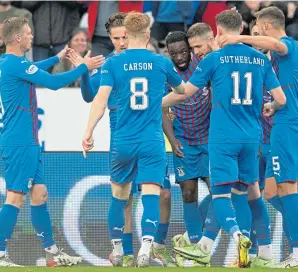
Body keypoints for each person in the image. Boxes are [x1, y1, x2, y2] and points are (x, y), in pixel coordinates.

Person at [163, 9, 286, 268]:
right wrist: (270, 108)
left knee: (220, 196)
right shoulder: (261, 59)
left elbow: (184, 93)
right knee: (246, 192)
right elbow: (281, 99)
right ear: (242, 28)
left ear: (218, 31)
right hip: (252, 138)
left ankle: (232, 238)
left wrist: (156, 103)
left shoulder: (214, 59)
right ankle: (263, 254)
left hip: (222, 138)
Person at [80, 12, 184, 268]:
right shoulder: (161, 62)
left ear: (126, 35)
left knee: (119, 196)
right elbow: (182, 92)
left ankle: (117, 250)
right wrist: (158, 103)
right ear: (148, 35)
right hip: (151, 141)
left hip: (122, 140)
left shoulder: (113, 64)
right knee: (151, 195)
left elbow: (100, 100)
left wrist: (88, 131)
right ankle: (146, 248)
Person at [0, 17, 101, 267]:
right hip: (19, 142)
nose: (32, 36)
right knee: (14, 198)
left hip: (26, 140)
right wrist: (84, 67)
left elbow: (34, 70)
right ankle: (0, 254)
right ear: (17, 38)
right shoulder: (15, 64)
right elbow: (55, 83)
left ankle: (52, 254)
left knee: (40, 194)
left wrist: (57, 58)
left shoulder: (8, 63)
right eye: (28, 33)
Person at [219, 6, 298, 268]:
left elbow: (275, 43)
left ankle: (297, 252)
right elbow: (287, 95)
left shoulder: (286, 45)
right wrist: (274, 106)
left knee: (287, 187)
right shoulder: (280, 59)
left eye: (257, 29)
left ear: (264, 26)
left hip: (288, 126)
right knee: (273, 192)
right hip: (282, 119)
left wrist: (239, 37)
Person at [161, 30, 212, 267]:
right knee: (188, 193)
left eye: (183, 51)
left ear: (190, 50)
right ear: (168, 53)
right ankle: (193, 246)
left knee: (222, 191)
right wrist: (172, 141)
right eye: (174, 53)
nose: (180, 57)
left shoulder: (203, 66)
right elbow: (162, 111)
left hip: (210, 139)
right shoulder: (165, 73)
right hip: (184, 140)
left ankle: (195, 242)